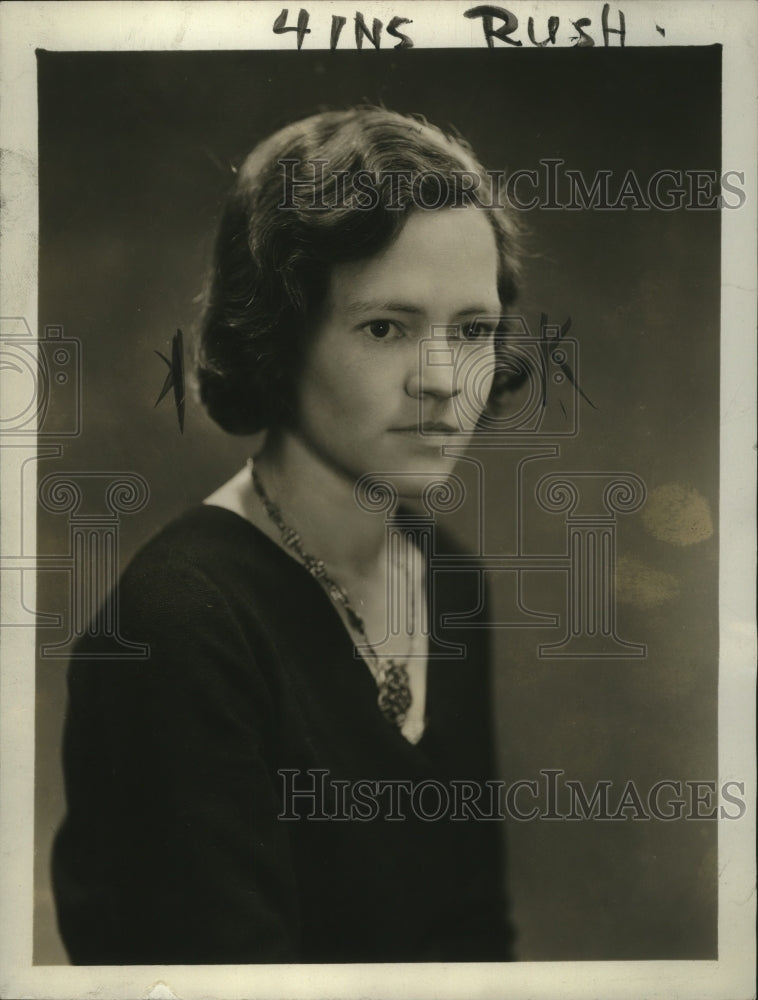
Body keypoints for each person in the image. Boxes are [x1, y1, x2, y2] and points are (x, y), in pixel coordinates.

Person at [52, 106, 524, 964]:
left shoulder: (449, 580)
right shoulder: (180, 624)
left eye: (474, 329)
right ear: (279, 335)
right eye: (386, 327)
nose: (444, 381)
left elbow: (474, 945)